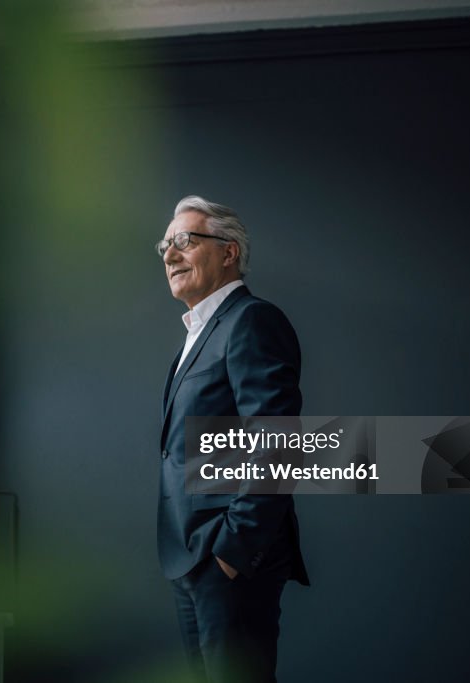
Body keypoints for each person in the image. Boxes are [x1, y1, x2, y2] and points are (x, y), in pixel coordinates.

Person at [156, 195, 310, 683]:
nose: (169, 254)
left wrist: (231, 552)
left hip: (230, 557)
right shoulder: (200, 331)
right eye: (165, 245)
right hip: (192, 557)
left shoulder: (251, 321)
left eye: (185, 241)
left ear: (228, 253)